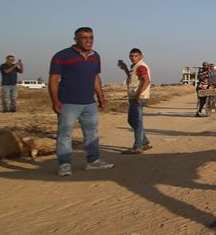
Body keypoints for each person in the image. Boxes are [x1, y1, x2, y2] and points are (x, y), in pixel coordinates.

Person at [48, 27, 114, 176]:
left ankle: (94, 161)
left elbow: (95, 77)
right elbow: (53, 80)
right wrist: (55, 101)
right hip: (68, 103)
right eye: (84, 37)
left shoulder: (95, 56)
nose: (88, 40)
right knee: (65, 134)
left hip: (89, 103)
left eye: (91, 37)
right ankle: (64, 164)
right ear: (75, 39)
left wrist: (101, 97)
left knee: (92, 133)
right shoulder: (62, 56)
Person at [118, 48, 152, 154]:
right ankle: (144, 142)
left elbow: (146, 80)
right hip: (136, 97)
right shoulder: (135, 67)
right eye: (131, 56)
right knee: (132, 121)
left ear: (141, 56)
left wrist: (137, 95)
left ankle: (137, 146)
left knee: (137, 121)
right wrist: (125, 69)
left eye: (136, 56)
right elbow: (133, 79)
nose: (133, 58)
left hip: (139, 98)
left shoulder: (141, 66)